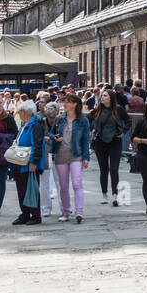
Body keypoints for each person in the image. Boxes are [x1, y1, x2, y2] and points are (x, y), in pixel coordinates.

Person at [50, 92, 91, 223]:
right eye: (64, 102)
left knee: (77, 184)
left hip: (76, 155)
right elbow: (51, 134)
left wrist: (86, 157)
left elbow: (86, 140)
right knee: (63, 186)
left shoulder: (83, 120)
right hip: (60, 155)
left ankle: (79, 211)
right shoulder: (59, 118)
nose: (64, 104)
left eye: (67, 102)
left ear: (74, 104)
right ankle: (66, 211)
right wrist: (55, 138)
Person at [89, 88, 129, 207]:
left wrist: (124, 132)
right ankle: (104, 194)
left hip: (115, 141)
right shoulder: (97, 110)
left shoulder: (119, 109)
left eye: (105, 96)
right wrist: (93, 127)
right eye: (102, 96)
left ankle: (115, 195)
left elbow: (128, 121)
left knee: (114, 169)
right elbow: (88, 120)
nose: (102, 98)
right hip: (100, 142)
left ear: (111, 98)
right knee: (103, 169)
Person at [11, 100, 48, 226]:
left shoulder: (36, 124)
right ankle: (25, 213)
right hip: (20, 161)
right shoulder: (24, 124)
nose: (18, 113)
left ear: (26, 112)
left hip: (29, 162)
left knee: (31, 189)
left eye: (20, 111)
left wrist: (34, 162)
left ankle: (36, 215)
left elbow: (37, 144)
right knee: (21, 189)